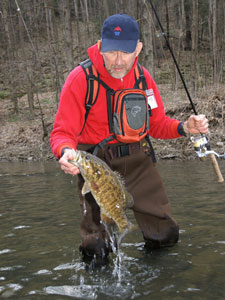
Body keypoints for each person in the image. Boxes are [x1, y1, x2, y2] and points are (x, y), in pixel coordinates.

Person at [50, 14, 209, 259]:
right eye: (112, 51)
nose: (118, 60)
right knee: (96, 249)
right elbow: (62, 132)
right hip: (97, 167)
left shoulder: (143, 79)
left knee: (165, 235)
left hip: (139, 161)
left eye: (125, 52)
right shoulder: (80, 79)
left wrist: (184, 128)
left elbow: (156, 125)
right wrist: (65, 152)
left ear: (138, 48)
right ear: (101, 46)